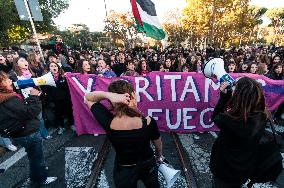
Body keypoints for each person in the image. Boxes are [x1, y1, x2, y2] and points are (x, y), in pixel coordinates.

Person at [85, 80, 163, 188]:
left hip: (124, 169)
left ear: (112, 101)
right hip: (148, 164)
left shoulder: (109, 122)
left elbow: (88, 98)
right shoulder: (148, 121)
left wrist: (109, 95)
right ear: (133, 95)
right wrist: (159, 156)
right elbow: (158, 144)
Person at [210, 77, 272, 187]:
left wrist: (224, 97)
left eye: (235, 88)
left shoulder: (229, 120)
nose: (232, 89)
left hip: (224, 169)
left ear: (239, 96)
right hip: (245, 169)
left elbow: (216, 117)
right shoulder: (262, 115)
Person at [0, 71, 57, 185]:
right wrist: (33, 97)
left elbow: (19, 111)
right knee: (37, 158)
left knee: (33, 157)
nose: (11, 81)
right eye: (6, 80)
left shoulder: (4, 97)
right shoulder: (9, 99)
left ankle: (37, 173)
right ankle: (40, 178)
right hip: (27, 133)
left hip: (20, 133)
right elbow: (31, 111)